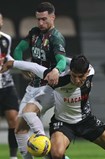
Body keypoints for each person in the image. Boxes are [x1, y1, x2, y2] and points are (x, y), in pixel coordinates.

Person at [1, 55, 105, 159]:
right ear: (70, 71)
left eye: (81, 77)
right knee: (56, 154)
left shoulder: (91, 72)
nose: (77, 80)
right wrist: (13, 63)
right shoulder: (58, 79)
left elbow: (65, 58)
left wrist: (62, 59)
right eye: (74, 76)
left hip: (86, 120)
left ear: (88, 72)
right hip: (63, 123)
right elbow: (35, 67)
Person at [12, 2, 67, 159]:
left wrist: (56, 70)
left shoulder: (56, 38)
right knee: (19, 130)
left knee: (28, 114)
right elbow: (17, 50)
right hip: (32, 87)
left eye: (44, 19)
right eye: (38, 19)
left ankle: (43, 141)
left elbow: (62, 62)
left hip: (47, 88)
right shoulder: (34, 33)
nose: (41, 23)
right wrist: (23, 67)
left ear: (53, 17)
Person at [0, 13, 19, 159]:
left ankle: (13, 157)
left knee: (14, 119)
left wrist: (21, 66)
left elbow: (7, 57)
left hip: (6, 85)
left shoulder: (6, 39)